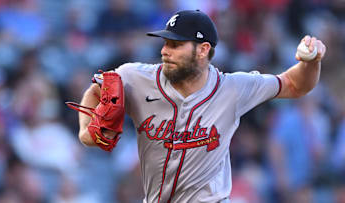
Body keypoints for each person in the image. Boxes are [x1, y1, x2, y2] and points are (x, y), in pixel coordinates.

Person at [75, 10, 326, 203]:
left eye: (176, 45)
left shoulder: (233, 88)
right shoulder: (134, 78)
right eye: (165, 43)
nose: (165, 51)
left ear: (203, 50)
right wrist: (86, 131)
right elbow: (96, 90)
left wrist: (312, 61)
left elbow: (294, 84)